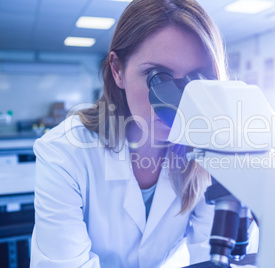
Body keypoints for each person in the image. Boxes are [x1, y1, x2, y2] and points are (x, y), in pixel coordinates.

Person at [30, 0, 229, 267]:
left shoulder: (207, 151)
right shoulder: (64, 152)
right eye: (157, 77)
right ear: (117, 70)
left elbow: (212, 256)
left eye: (195, 79)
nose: (175, 102)